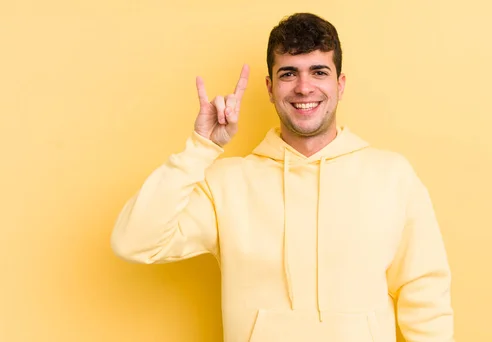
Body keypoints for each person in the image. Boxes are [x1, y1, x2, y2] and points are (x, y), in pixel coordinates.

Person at [110, 12, 454, 342]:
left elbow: (425, 294)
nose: (304, 88)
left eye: (319, 72)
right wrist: (201, 148)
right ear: (270, 87)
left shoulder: (391, 175)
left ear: (340, 83)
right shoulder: (227, 183)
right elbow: (135, 241)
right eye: (289, 74)